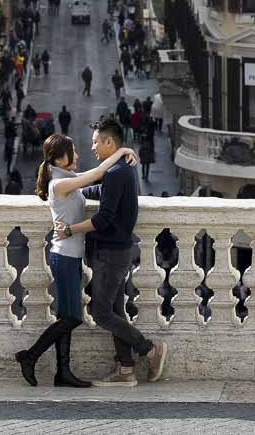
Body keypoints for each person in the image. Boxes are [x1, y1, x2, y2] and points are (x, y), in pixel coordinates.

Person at [16, 134, 138, 388]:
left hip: (70, 257)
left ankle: (63, 373)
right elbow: (95, 174)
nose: (78, 155)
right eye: (73, 151)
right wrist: (122, 149)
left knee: (66, 316)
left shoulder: (65, 179)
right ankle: (30, 356)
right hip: (63, 257)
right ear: (60, 158)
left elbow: (95, 182)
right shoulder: (58, 184)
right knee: (72, 318)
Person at [53, 117, 168, 386]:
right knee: (116, 310)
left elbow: (103, 218)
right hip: (117, 251)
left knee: (101, 312)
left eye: (96, 142)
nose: (92, 148)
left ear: (109, 142)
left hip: (111, 253)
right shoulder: (120, 170)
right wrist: (76, 192)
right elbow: (101, 191)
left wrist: (70, 229)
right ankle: (125, 370)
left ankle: (150, 350)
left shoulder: (117, 172)